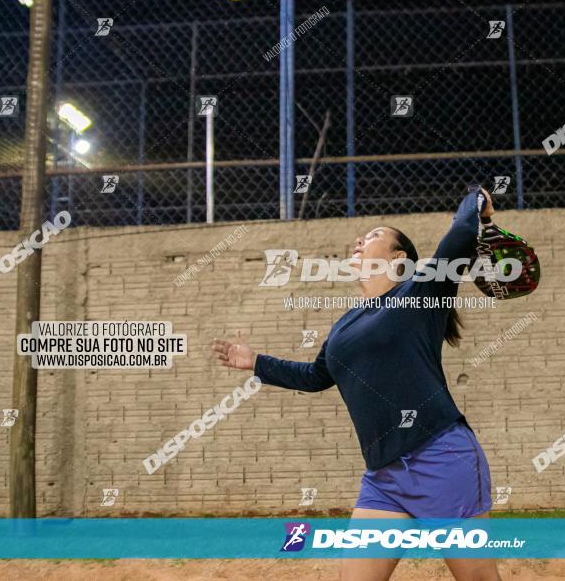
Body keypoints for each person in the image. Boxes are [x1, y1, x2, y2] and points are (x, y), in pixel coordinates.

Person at [213, 188, 502, 581]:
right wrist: (255, 362)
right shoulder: (345, 324)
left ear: (399, 258)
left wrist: (476, 202)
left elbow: (456, 239)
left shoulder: (420, 293)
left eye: (373, 235)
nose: (359, 240)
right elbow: (315, 377)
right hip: (384, 477)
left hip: (442, 458)